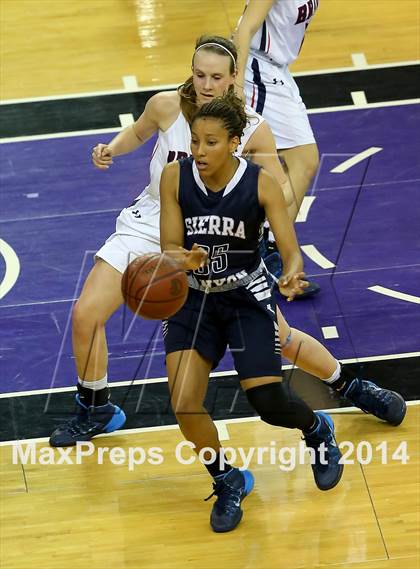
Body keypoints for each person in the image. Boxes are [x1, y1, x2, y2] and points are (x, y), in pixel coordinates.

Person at [49, 36, 406, 449]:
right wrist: (111, 148)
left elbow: (281, 189)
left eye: (216, 77)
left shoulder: (253, 129)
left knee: (282, 338)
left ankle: (350, 386)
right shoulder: (166, 106)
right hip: (148, 225)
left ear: (234, 78)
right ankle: (96, 407)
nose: (205, 84)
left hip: (213, 239)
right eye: (199, 74)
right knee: (85, 314)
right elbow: (138, 132)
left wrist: (255, 222)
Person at [159, 91, 343, 533]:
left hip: (245, 296)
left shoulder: (260, 183)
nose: (199, 151)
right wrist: (180, 260)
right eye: (195, 141)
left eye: (211, 142)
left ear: (235, 142)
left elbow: (289, 249)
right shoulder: (173, 177)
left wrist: (291, 275)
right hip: (196, 299)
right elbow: (167, 247)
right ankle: (227, 480)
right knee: (185, 406)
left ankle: (317, 429)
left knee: (268, 401)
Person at [232, 0, 321, 286]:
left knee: (304, 163)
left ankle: (267, 245)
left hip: (278, 71)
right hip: (255, 72)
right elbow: (244, 29)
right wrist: (236, 86)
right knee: (264, 164)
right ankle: (261, 249)